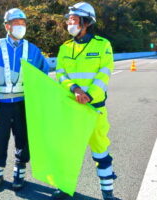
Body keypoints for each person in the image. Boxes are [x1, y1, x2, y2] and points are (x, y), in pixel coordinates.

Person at [53, 2, 117, 200]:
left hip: (95, 109)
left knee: (100, 152)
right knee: (69, 151)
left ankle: (108, 193)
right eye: (69, 19)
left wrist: (89, 95)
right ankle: (64, 187)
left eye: (73, 19)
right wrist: (75, 89)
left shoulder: (102, 45)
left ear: (86, 22)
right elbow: (60, 73)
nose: (69, 23)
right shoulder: (65, 47)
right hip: (72, 108)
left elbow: (105, 73)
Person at [0, 8, 49, 191]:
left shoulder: (32, 49)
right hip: (0, 104)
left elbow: (43, 74)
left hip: (23, 104)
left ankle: (19, 176)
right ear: (7, 26)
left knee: (23, 140)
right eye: (16, 24)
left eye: (23, 24)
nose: (20, 27)